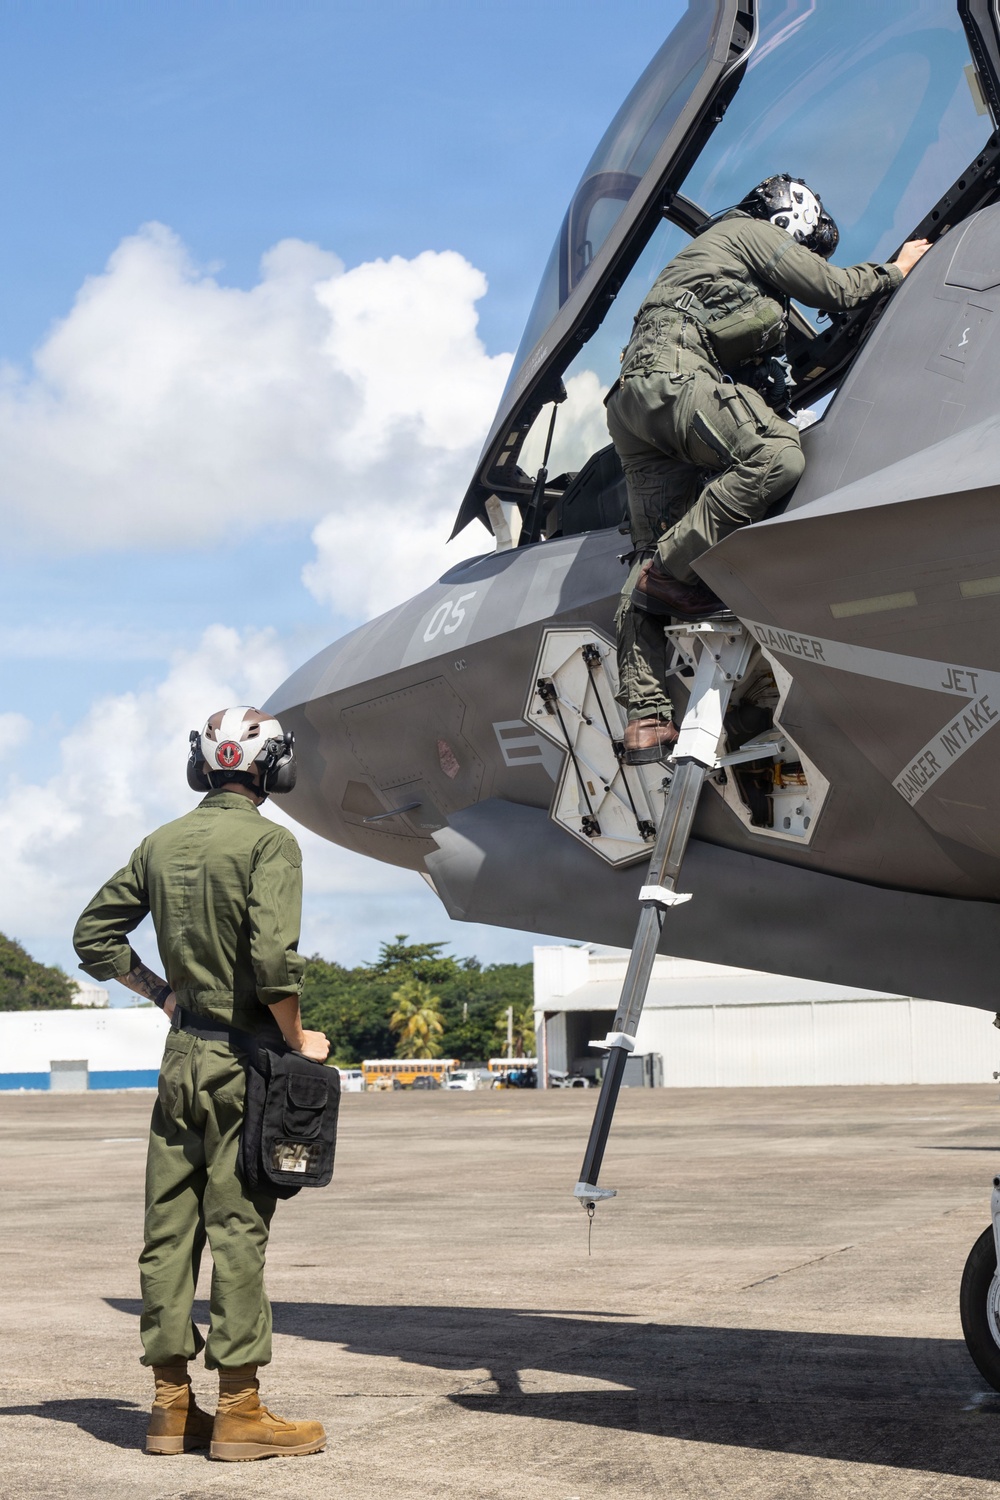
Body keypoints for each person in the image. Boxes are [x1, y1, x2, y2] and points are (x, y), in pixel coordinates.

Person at [73, 705, 331, 1462]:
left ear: (202, 767)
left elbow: (94, 935)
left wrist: (159, 993)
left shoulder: (160, 842)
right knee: (238, 1230)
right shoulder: (270, 842)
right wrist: (297, 1037)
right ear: (272, 769)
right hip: (244, 1060)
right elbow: (274, 961)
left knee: (168, 1231)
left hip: (180, 1058)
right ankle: (242, 1414)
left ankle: (168, 1409)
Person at [608, 174, 931, 765]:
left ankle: (645, 719)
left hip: (632, 403)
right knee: (774, 455)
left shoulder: (708, 258)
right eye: (805, 243)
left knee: (648, 555)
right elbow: (832, 290)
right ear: (791, 220)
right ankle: (670, 574)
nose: (803, 255)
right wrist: (898, 269)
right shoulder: (750, 233)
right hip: (674, 377)